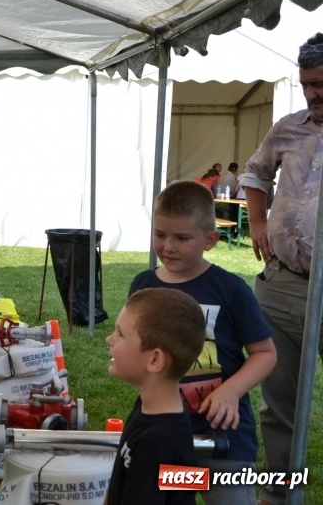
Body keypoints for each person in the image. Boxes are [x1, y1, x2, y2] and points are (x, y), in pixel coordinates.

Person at [129, 180, 276, 505]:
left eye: (182, 238)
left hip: (225, 438)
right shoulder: (144, 286)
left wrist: (231, 390)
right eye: (160, 234)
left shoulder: (231, 290)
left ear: (210, 240)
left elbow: (265, 353)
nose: (168, 246)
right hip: (160, 434)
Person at [241, 32, 323, 505]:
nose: (313, 93)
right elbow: (254, 172)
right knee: (279, 399)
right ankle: (278, 492)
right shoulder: (289, 127)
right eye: (306, 83)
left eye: (321, 83)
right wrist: (255, 220)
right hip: (283, 285)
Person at [105, 287, 207, 505]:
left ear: (154, 360)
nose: (109, 339)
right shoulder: (146, 405)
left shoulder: (161, 442)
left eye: (120, 334)